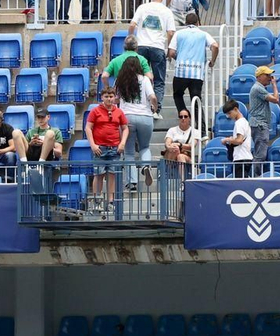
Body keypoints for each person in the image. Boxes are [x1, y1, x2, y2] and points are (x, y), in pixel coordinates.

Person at [114, 54, 157, 191]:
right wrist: (154, 107)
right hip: (145, 116)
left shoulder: (119, 81)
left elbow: (115, 99)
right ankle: (146, 165)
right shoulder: (144, 80)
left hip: (126, 117)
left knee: (129, 152)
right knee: (144, 146)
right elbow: (153, 97)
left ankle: (132, 182)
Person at [167, 11, 217, 123]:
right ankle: (202, 129)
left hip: (181, 72)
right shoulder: (203, 34)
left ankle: (184, 115)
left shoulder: (179, 33)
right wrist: (212, 61)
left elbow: (171, 52)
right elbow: (215, 46)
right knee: (196, 100)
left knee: (178, 95)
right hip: (197, 73)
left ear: (185, 23)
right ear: (198, 23)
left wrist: (178, 57)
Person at [88, 87, 131, 204]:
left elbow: (125, 128)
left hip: (114, 148)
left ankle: (111, 201)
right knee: (98, 174)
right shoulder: (95, 111)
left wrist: (122, 143)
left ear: (114, 97)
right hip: (99, 148)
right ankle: (97, 200)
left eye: (111, 96)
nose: (109, 99)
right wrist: (93, 145)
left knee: (112, 175)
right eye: (106, 96)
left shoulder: (119, 112)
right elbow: (88, 128)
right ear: (102, 97)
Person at [246, 65, 280, 173]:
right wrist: (274, 85)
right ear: (259, 76)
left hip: (259, 124)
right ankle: (256, 177)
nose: (270, 77)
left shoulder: (258, 88)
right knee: (260, 154)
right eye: (267, 75)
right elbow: (276, 99)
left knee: (260, 152)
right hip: (259, 125)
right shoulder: (258, 88)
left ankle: (256, 175)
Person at [221, 97, 254, 178]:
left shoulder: (239, 123)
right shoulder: (244, 122)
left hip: (241, 159)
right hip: (245, 158)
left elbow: (239, 140)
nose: (228, 116)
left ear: (235, 109)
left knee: (241, 185)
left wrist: (227, 140)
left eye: (229, 113)